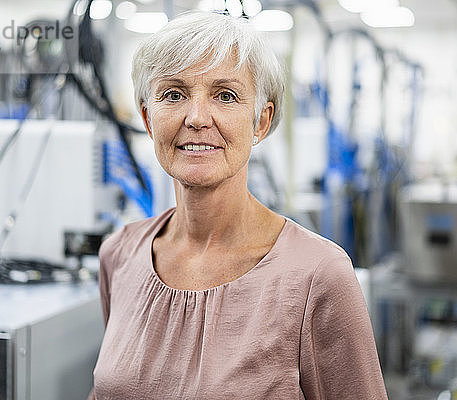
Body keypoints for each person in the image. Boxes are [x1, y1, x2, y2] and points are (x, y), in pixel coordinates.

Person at [90, 11, 387, 400]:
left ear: (260, 122)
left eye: (225, 95)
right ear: (148, 119)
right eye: (174, 94)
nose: (196, 118)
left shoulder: (318, 276)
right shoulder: (120, 255)